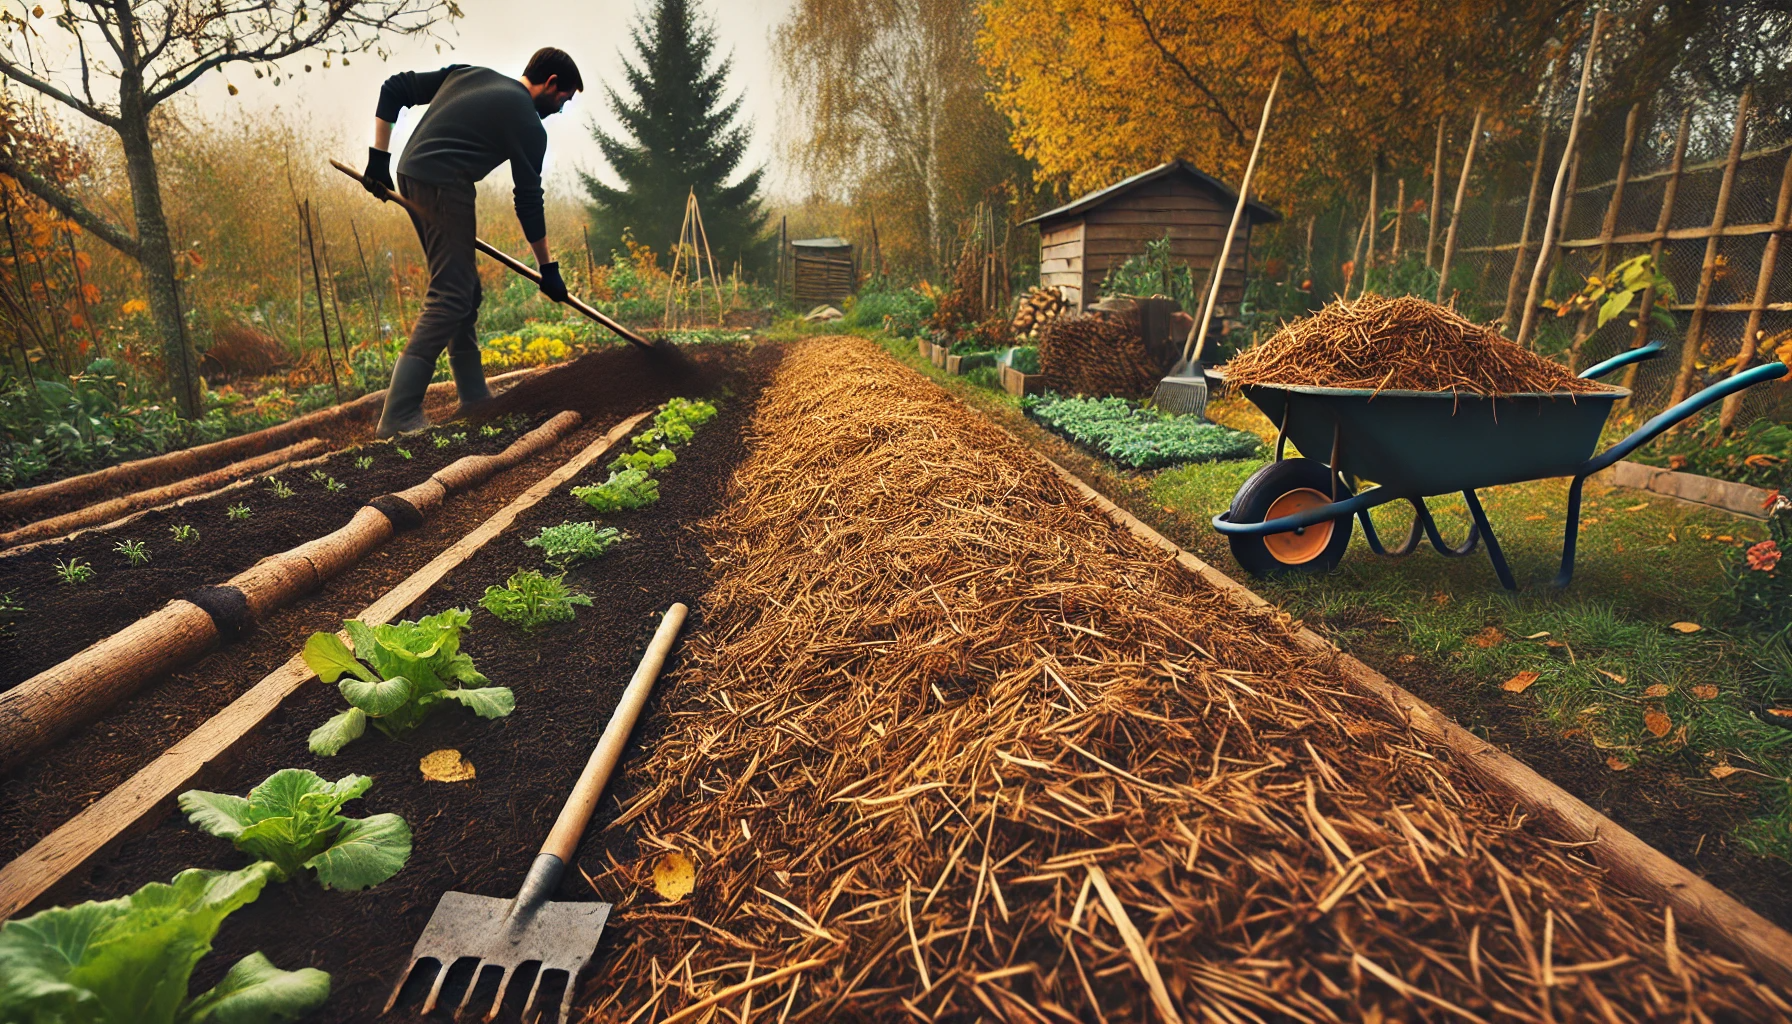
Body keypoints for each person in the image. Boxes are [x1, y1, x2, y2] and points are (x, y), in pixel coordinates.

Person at [363, 48, 582, 437]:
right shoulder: (529, 123)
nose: (561, 109)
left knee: (464, 288)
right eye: (564, 99)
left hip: (412, 172)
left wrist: (379, 158)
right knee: (451, 293)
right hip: (445, 182)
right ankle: (399, 415)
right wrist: (549, 270)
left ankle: (474, 397)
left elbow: (395, 88)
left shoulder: (469, 74)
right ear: (551, 84)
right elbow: (529, 202)